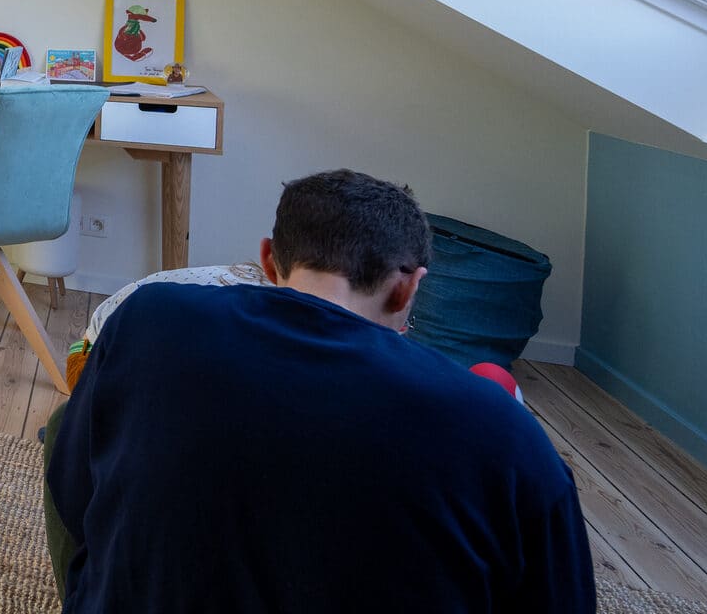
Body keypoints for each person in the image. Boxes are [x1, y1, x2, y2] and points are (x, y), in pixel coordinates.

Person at [44, 170, 593, 612]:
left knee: (68, 425)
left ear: (266, 261)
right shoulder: (503, 431)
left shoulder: (149, 314)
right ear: (408, 288)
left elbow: (76, 491)